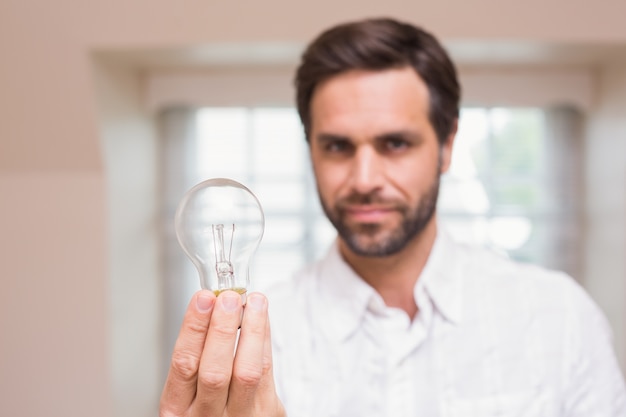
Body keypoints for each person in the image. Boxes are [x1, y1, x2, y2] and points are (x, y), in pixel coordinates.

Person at [159, 17, 626, 417]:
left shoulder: (559, 318)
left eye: (395, 144)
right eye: (338, 146)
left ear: (446, 145)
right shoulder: (252, 349)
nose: (364, 178)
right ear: (311, 151)